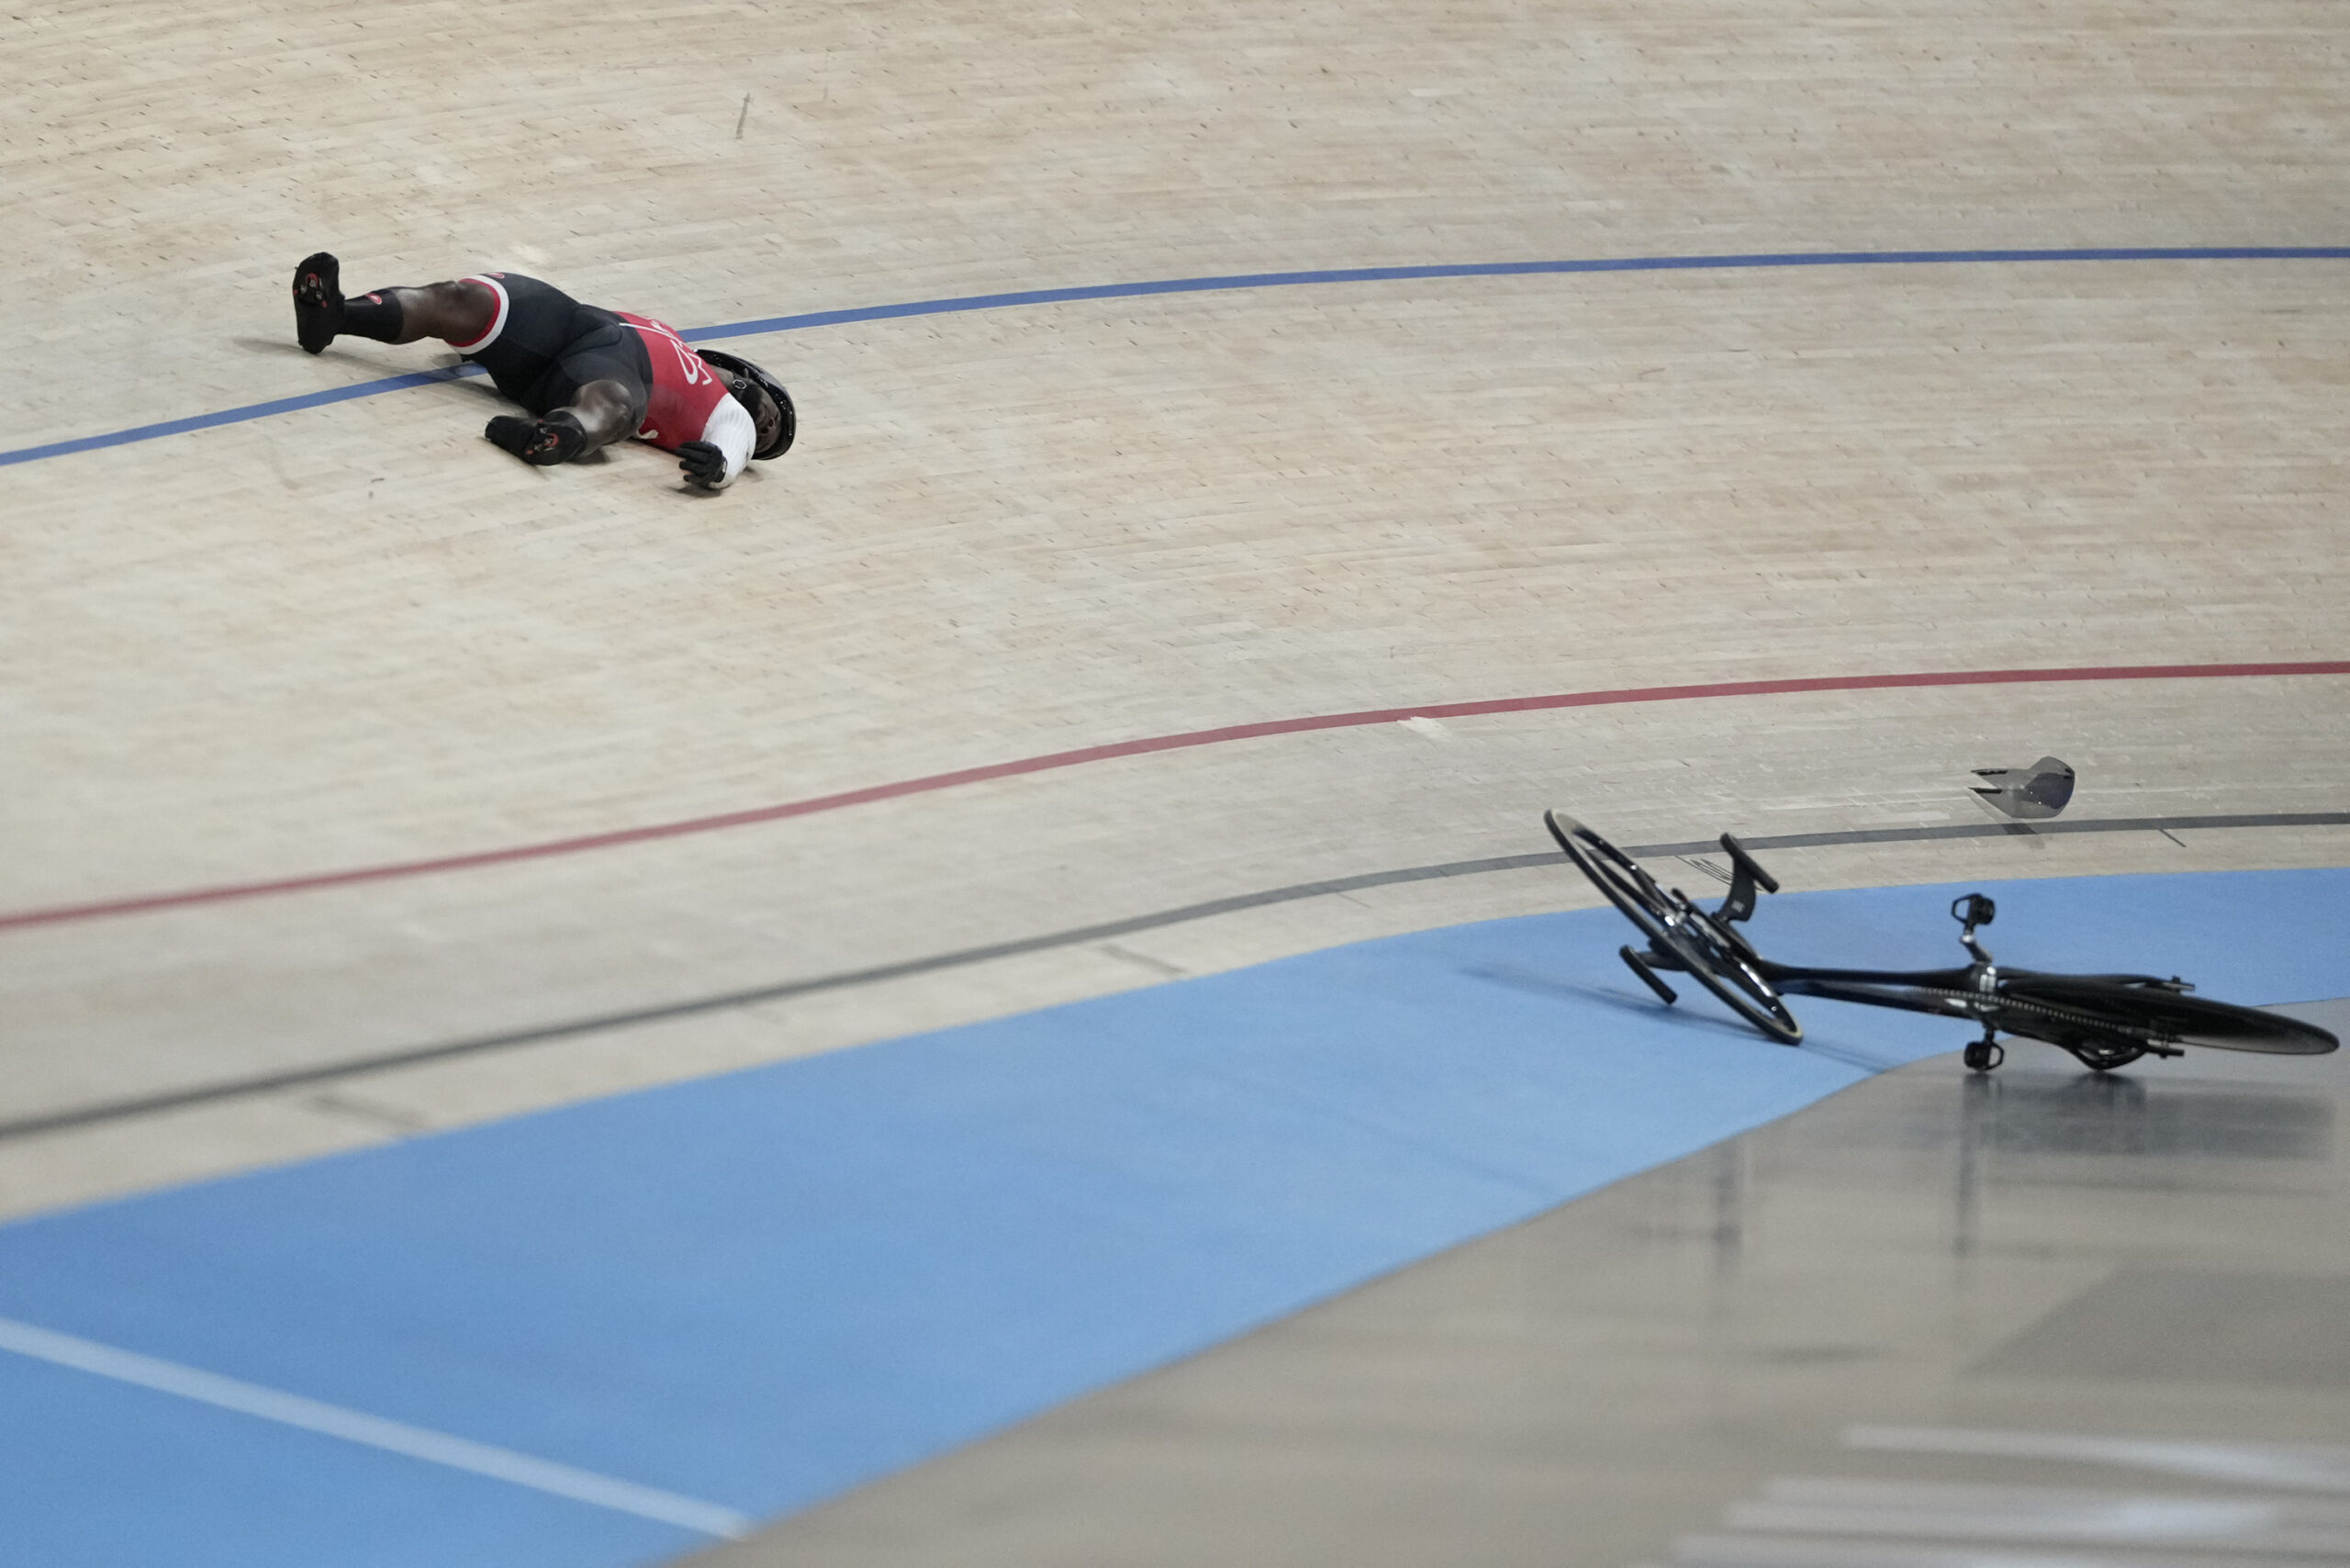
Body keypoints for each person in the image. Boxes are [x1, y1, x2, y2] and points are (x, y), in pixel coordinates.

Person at [291, 252, 793, 489]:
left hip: (616, 373)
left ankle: (560, 437)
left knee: (613, 405)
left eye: (771, 442)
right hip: (569, 326)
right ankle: (334, 316)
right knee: (463, 299)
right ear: (747, 374)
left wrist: (722, 468)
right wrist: (470, 350)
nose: (768, 429)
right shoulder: (678, 341)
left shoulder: (728, 414)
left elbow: (736, 440)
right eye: (775, 414)